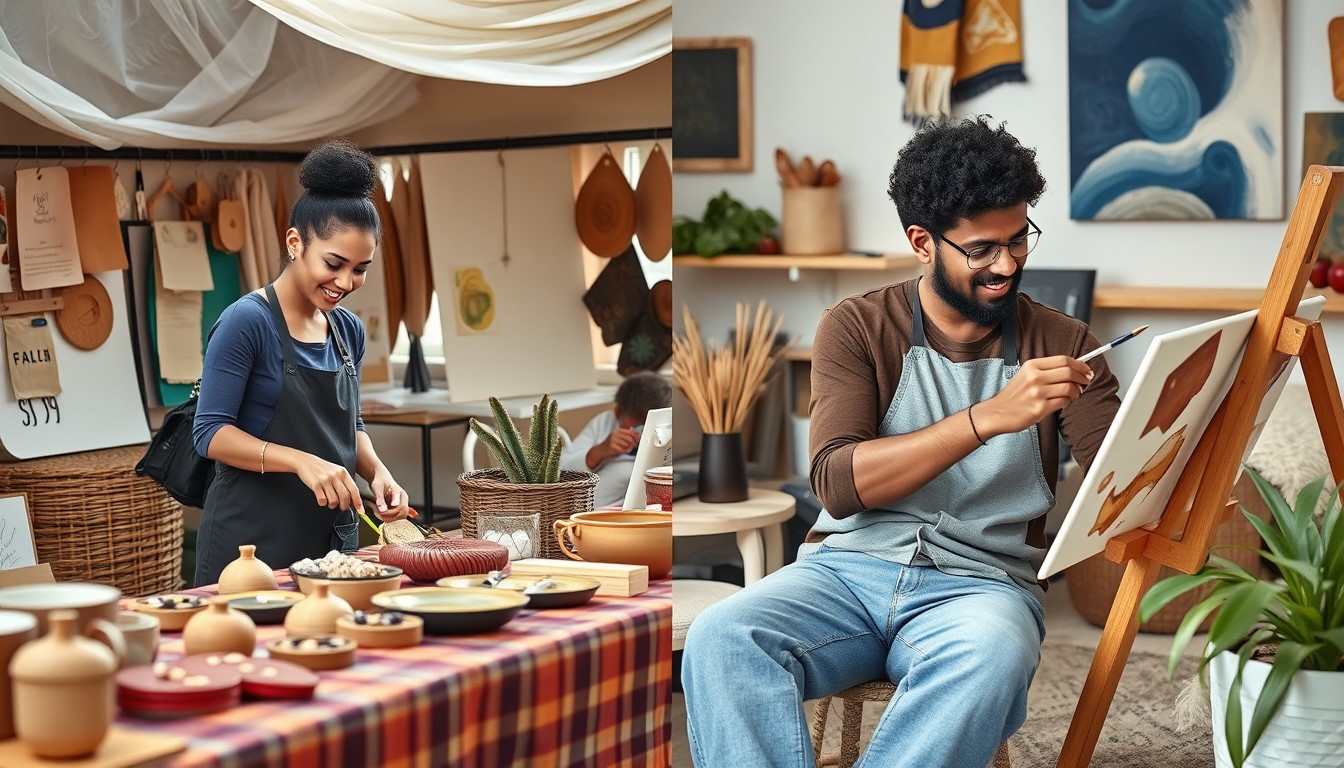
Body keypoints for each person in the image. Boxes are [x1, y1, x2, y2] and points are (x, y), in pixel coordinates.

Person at [681, 117, 1122, 767]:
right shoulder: (857, 327)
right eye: (981, 249)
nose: (1007, 265)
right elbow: (837, 482)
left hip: (984, 589)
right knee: (721, 637)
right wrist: (989, 417)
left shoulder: (1065, 342)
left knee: (992, 656)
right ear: (922, 242)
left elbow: (1122, 476)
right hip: (844, 572)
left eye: (1018, 239)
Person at [192, 140, 410, 587]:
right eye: (334, 263)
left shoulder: (348, 330)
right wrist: (299, 461)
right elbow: (209, 433)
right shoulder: (246, 322)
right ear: (295, 243)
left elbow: (350, 425)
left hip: (332, 544)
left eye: (360, 269)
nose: (345, 282)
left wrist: (377, 472)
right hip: (250, 546)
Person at [560, 371, 671, 508]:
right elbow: (561, 468)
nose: (641, 433)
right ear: (618, 412)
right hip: (586, 506)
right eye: (637, 427)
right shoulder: (603, 423)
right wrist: (598, 452)